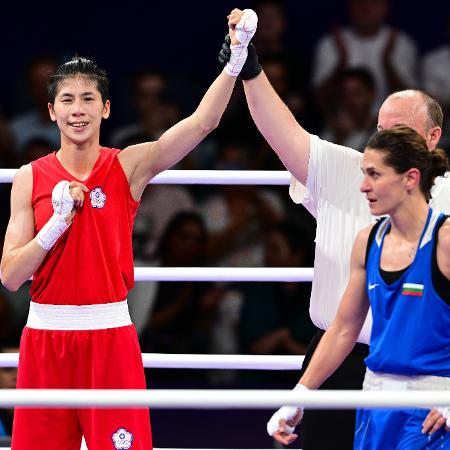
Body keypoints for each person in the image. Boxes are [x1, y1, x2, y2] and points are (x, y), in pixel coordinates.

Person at [0, 9, 258, 450]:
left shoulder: (127, 165)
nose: (77, 110)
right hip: (45, 339)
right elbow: (9, 275)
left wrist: (235, 60)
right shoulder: (29, 176)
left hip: (110, 337)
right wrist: (56, 226)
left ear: (105, 108)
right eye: (67, 99)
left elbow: (201, 123)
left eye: (87, 99)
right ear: (51, 110)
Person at [222, 9, 450, 449]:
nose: (384, 144)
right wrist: (248, 67)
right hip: (347, 365)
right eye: (380, 130)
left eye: (400, 132)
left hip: (430, 372)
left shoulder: (445, 220)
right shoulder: (352, 179)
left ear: (432, 138)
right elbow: (345, 326)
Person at [267, 126, 450, 449]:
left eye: (375, 175)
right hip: (375, 400)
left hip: (433, 406)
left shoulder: (445, 241)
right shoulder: (368, 241)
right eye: (364, 174)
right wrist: (299, 396)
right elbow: (342, 329)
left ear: (410, 179)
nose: (363, 187)